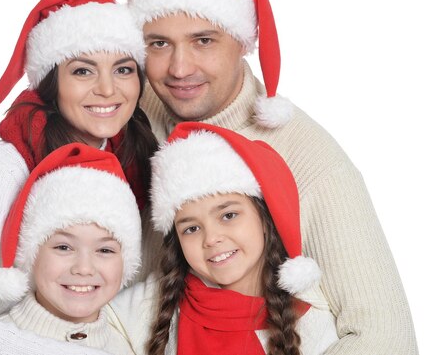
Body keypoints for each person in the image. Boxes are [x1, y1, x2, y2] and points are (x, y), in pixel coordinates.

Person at [0, 0, 418, 354]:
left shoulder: (311, 159)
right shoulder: (126, 99)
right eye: (158, 44)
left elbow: (385, 337)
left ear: (241, 40)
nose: (179, 68)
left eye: (203, 40)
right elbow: (50, 113)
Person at [0, 0, 158, 355]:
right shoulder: (5, 166)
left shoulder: (135, 155)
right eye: (83, 70)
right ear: (52, 82)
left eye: (124, 69)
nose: (108, 89)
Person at [108, 121, 339, 355]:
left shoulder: (311, 324)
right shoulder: (148, 305)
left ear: (265, 220)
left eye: (228, 215)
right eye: (191, 228)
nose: (211, 238)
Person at [0, 143, 142, 353]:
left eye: (105, 250)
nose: (84, 268)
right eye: (63, 247)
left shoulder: (127, 348)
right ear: (31, 253)